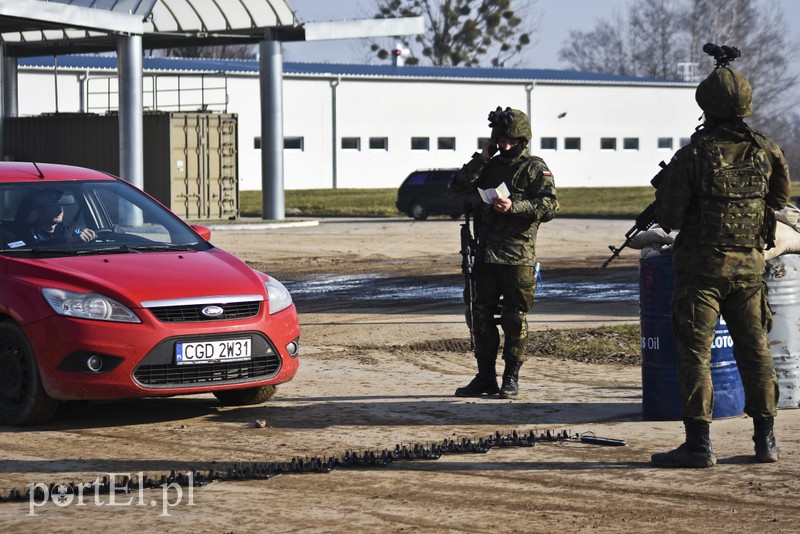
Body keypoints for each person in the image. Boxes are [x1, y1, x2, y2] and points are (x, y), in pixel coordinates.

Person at [650, 62, 791, 467]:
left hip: (701, 273)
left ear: (705, 105)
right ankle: (766, 441)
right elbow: (779, 201)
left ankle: (699, 445)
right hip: (749, 270)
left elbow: (671, 216)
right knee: (756, 350)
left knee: (695, 353)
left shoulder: (693, 154)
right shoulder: (768, 150)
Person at [450, 106, 558, 399]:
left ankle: (511, 377)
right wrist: (482, 157)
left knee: (514, 317)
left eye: (511, 141)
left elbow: (549, 207)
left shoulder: (535, 167)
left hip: (517, 255)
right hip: (484, 255)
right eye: (501, 140)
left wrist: (515, 207)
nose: (506, 146)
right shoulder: (490, 164)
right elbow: (458, 186)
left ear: (523, 140)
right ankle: (485, 377)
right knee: (479, 315)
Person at [25, 190, 96, 244]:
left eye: (61, 205)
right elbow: (34, 247)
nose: (59, 210)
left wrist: (90, 235)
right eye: (52, 206)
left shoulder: (68, 230)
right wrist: (68, 241)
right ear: (38, 208)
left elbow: (79, 233)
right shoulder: (28, 234)